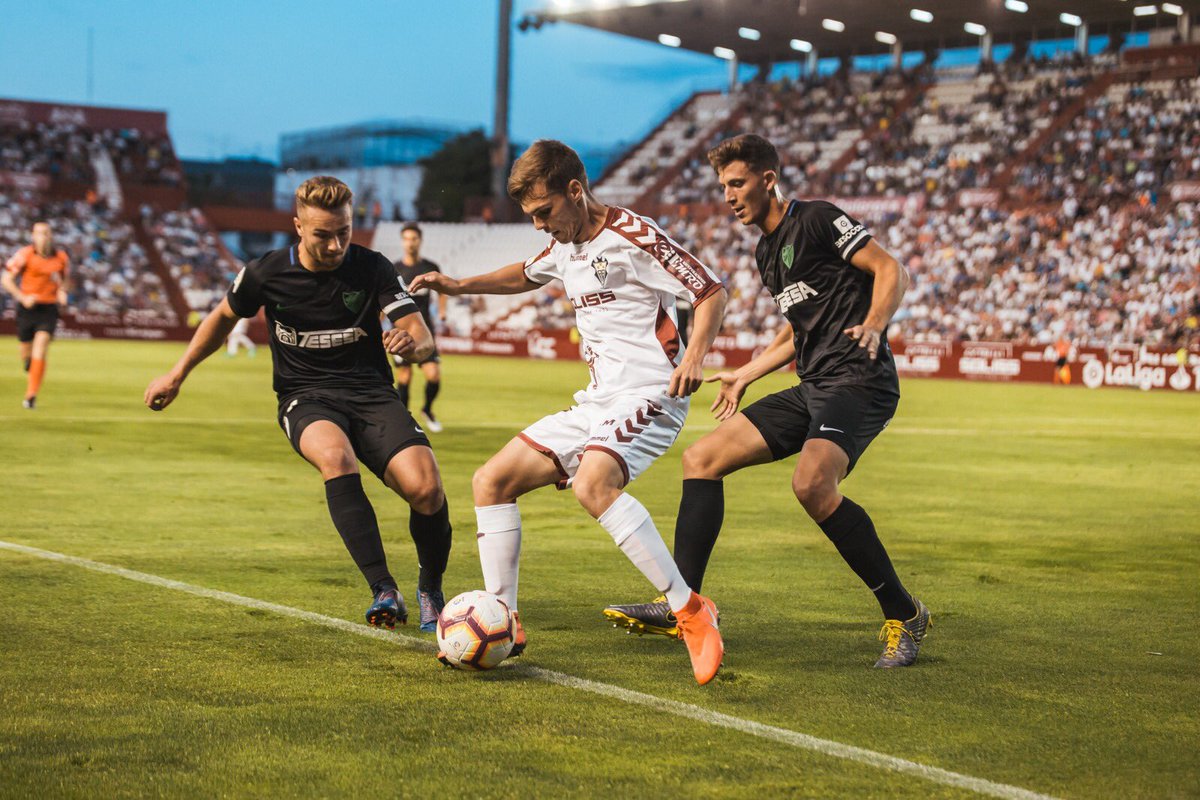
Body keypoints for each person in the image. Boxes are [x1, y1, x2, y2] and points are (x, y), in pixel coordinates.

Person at [604, 134, 930, 669]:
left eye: (737, 183)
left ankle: (904, 613)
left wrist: (874, 326)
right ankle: (685, 605)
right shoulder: (765, 252)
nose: (729, 195)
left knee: (812, 485)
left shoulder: (819, 219)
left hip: (860, 380)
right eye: (723, 186)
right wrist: (747, 375)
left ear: (768, 180)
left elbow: (892, 269)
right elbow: (795, 329)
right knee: (701, 459)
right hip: (814, 385)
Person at [408, 140, 729, 684]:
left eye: (543, 212)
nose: (538, 226)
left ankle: (690, 611)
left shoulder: (634, 236)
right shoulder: (563, 243)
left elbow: (710, 291)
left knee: (593, 485)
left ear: (575, 191)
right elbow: (524, 273)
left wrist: (695, 355)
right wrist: (458, 285)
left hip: (653, 392)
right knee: (491, 480)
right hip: (600, 400)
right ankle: (503, 620)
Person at [144, 176, 452, 632]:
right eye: (322, 234)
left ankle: (431, 589)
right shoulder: (266, 272)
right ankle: (384, 589)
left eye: (343, 232)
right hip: (305, 397)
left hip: (371, 393)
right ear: (298, 227)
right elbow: (222, 318)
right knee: (335, 456)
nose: (335, 245)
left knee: (426, 490)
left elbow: (420, 333)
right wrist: (177, 373)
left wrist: (414, 344)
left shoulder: (373, 267)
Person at [3, 221, 70, 410]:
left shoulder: (61, 257)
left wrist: (62, 292)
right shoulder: (24, 255)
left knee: (41, 344)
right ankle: (28, 363)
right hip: (27, 309)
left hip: (48, 309)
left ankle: (31, 395)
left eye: (46, 233)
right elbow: (6, 279)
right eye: (39, 233)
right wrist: (22, 297)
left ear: (51, 236)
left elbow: (65, 281)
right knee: (27, 353)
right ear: (33, 236)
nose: (43, 237)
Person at [392, 222, 447, 432]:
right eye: (406, 238)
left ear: (420, 241)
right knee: (404, 376)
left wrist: (442, 311)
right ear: (402, 241)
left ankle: (427, 409)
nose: (410, 243)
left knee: (433, 375)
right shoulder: (394, 269)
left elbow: (442, 290)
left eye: (413, 238)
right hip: (401, 331)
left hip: (425, 331)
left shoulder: (429, 268)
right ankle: (403, 420)